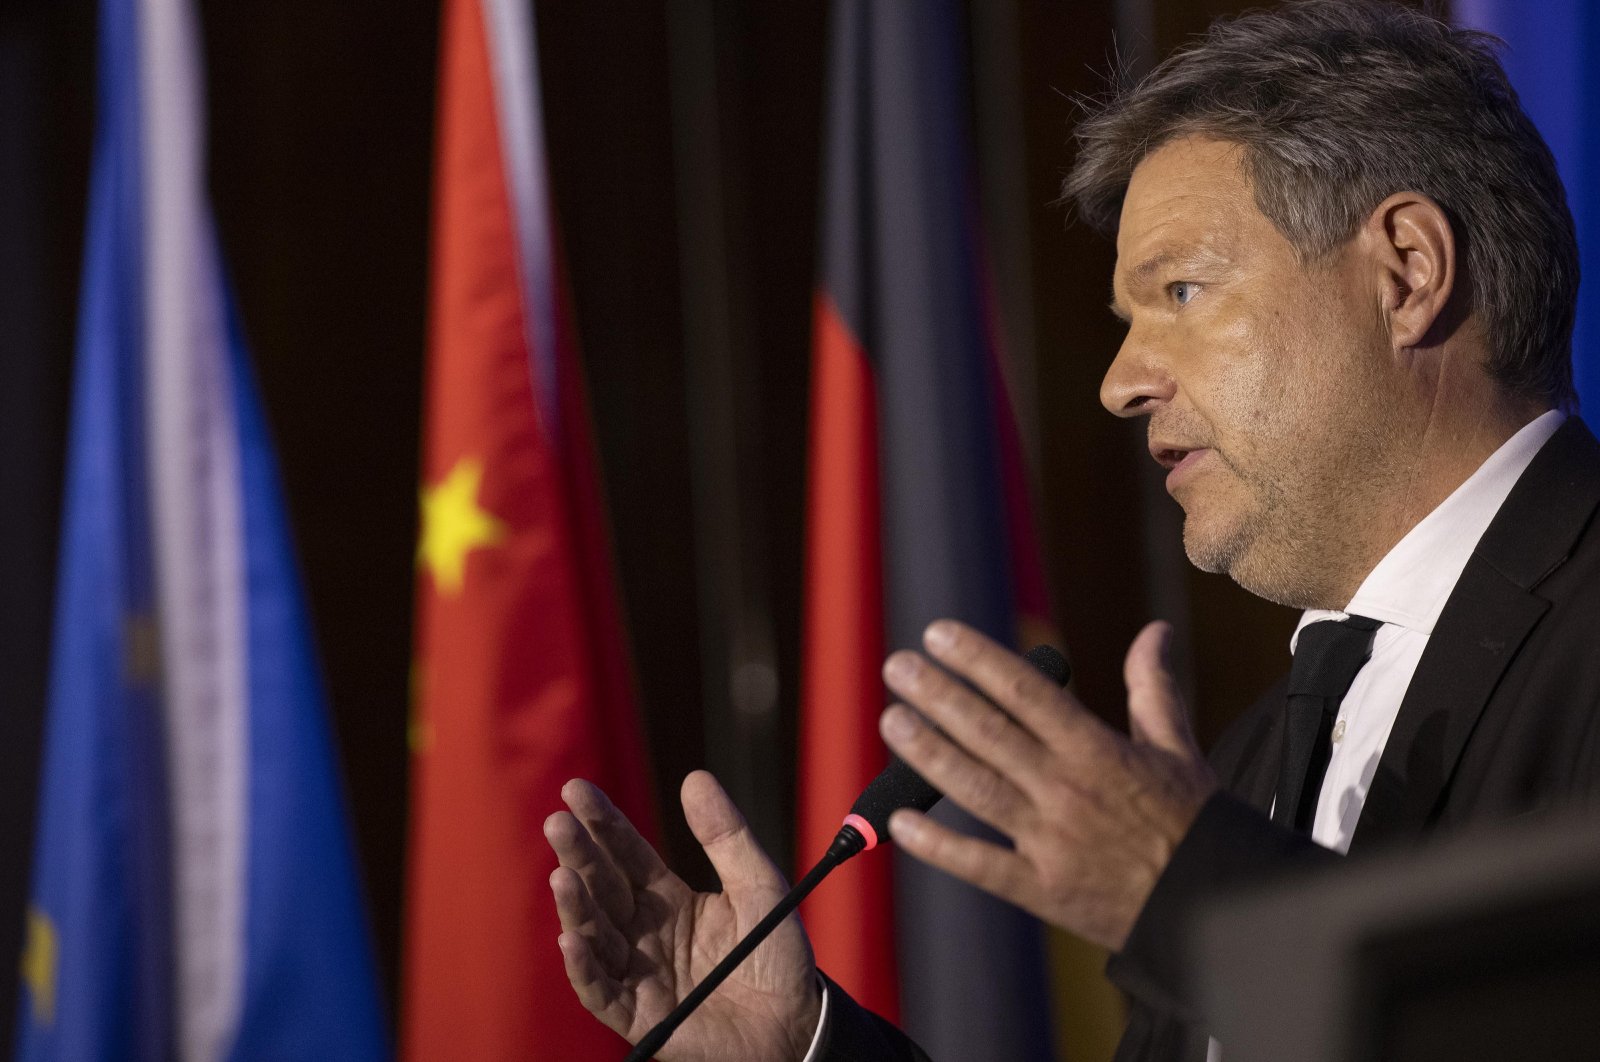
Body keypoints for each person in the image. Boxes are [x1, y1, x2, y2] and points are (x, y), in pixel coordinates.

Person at [543, 2, 1600, 1059]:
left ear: (1406, 270)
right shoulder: (1248, 762)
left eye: (1180, 291)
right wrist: (805, 1046)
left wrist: (1190, 898)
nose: (1117, 384)